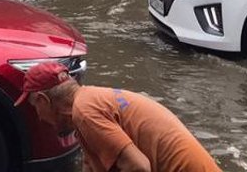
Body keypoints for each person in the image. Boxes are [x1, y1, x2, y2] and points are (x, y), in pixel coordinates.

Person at [16, 61, 221, 172]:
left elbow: (139, 167)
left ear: (44, 100)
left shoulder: (86, 113)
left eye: (35, 107)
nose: (39, 117)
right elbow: (90, 164)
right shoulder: (90, 101)